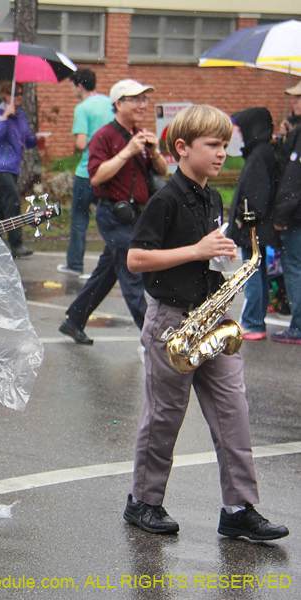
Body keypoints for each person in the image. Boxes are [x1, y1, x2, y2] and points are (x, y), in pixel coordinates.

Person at [124, 104, 289, 542]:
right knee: (165, 416)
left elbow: (205, 252)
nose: (222, 153)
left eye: (225, 144)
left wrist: (220, 256)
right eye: (213, 146)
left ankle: (238, 508)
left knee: (234, 412)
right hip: (171, 322)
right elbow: (136, 258)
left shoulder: (212, 196)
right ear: (182, 148)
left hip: (210, 318)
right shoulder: (165, 198)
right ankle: (144, 501)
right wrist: (197, 251)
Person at [58, 79, 166, 345]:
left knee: (108, 271)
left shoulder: (141, 134)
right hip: (113, 213)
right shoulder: (104, 136)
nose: (142, 105)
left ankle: (74, 320)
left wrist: (153, 153)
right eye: (136, 99)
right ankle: (152, 338)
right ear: (118, 104)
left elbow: (162, 172)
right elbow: (96, 177)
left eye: (145, 99)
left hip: (136, 215)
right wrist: (127, 152)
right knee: (133, 273)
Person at [227, 108, 278, 341]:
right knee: (256, 271)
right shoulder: (262, 152)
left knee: (252, 271)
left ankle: (252, 322)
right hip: (256, 225)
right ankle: (255, 321)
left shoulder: (259, 154)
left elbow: (257, 195)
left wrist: (242, 219)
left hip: (253, 227)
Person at [58, 68, 113, 276]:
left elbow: (81, 143)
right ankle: (112, 264)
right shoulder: (109, 103)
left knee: (80, 218)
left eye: (72, 86)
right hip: (109, 170)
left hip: (86, 171)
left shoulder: (82, 108)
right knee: (108, 217)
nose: (72, 90)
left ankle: (75, 264)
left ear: (79, 86)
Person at [0, 80, 37, 258]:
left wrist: (37, 140)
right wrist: (5, 116)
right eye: (16, 94)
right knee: (13, 200)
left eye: (21, 94)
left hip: (13, 166)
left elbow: (25, 140)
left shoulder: (20, 116)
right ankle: (16, 244)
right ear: (6, 96)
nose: (19, 98)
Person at [272, 82, 301, 344]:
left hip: (296, 217)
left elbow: (291, 180)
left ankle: (298, 326)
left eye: (299, 98)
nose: (294, 103)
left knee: (295, 267)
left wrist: (280, 217)